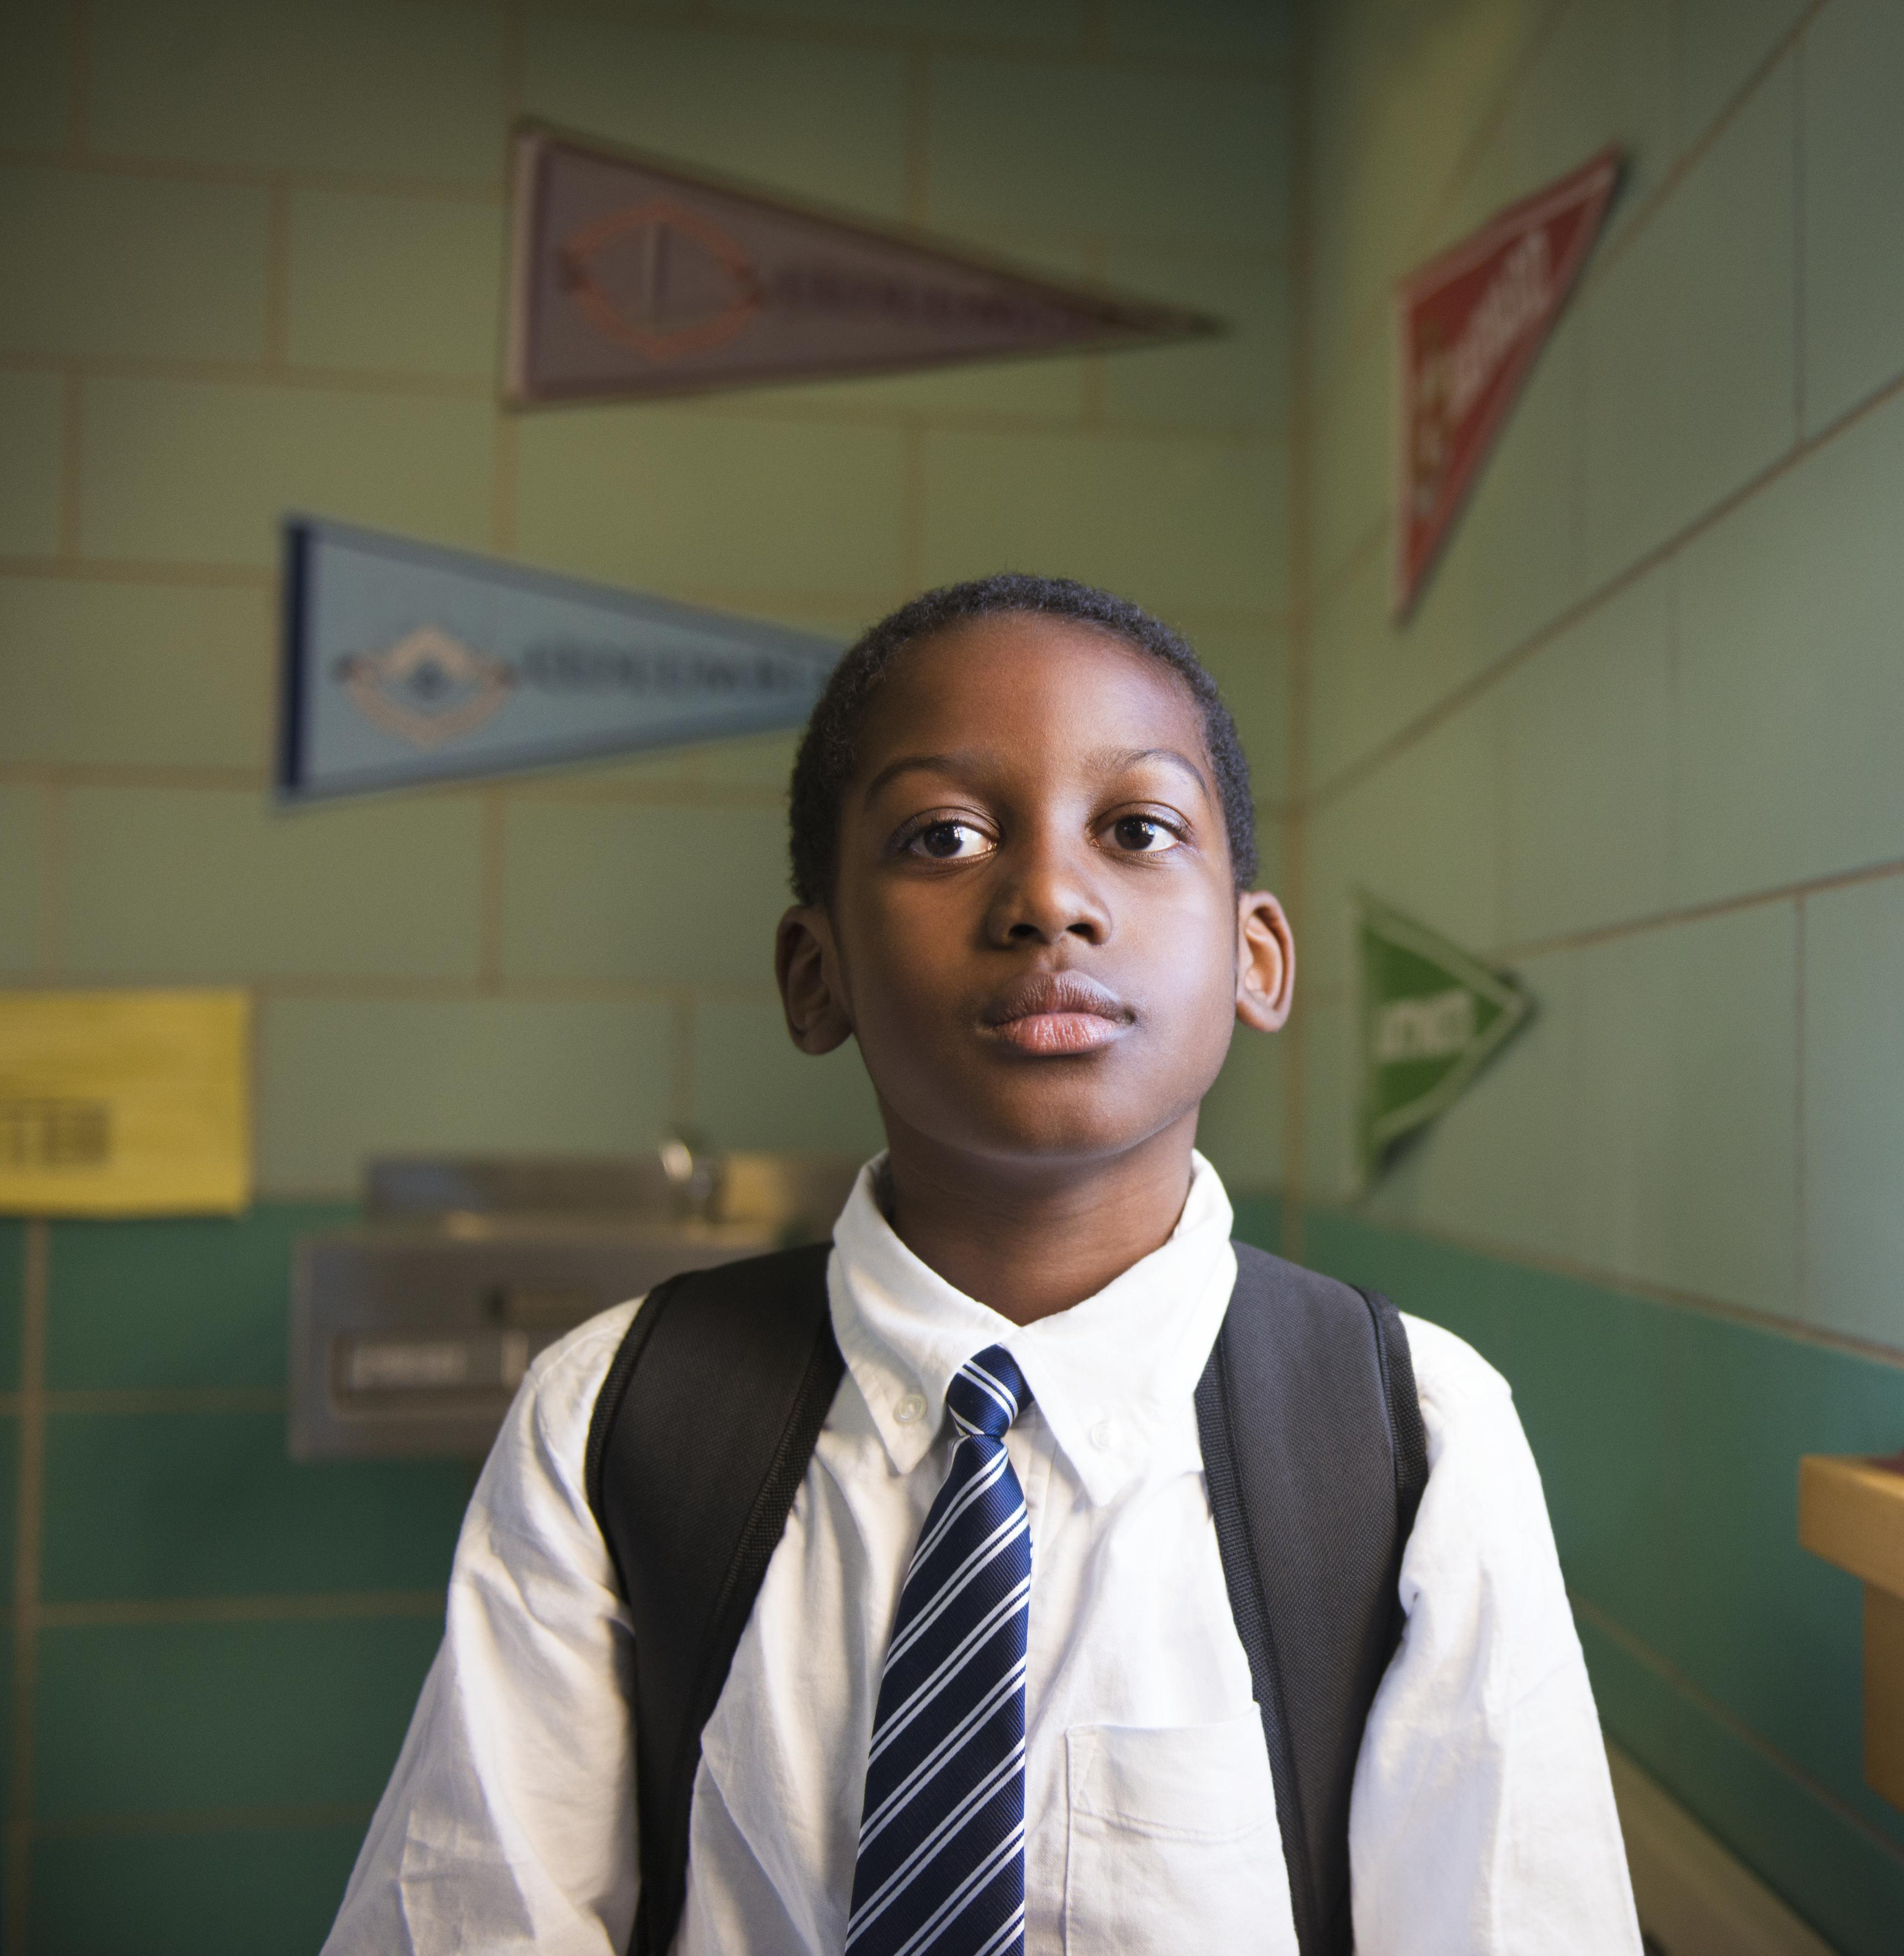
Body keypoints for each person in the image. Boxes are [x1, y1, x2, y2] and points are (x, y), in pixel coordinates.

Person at [324, 574, 1640, 1954]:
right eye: (942, 835)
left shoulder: (1413, 1435)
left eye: (1136, 828)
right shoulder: (606, 1417)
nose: (1049, 898)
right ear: (813, 972)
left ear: (1254, 956)